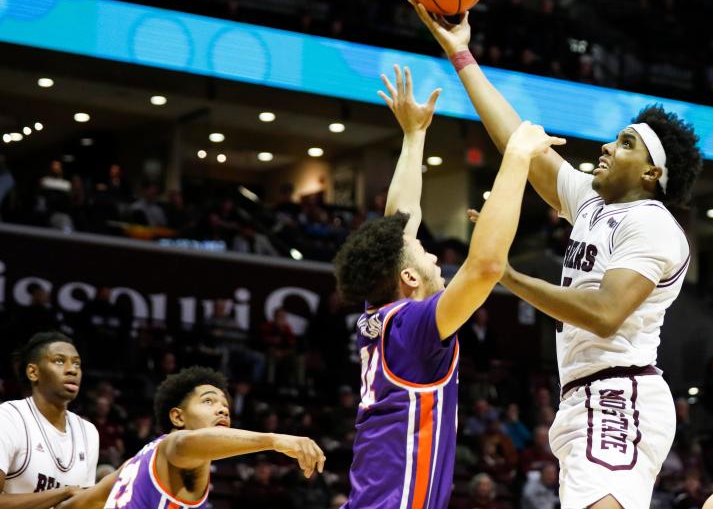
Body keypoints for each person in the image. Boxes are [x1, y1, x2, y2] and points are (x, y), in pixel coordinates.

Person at [412, 0, 703, 509]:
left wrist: (508, 275)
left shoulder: (653, 226)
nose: (609, 148)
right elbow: (519, 143)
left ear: (651, 174)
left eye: (626, 144)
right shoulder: (592, 202)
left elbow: (605, 314)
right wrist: (461, 56)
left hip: (619, 393)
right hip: (584, 394)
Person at [335, 65, 564, 509]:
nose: (436, 258)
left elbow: (400, 219)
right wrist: (516, 158)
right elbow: (484, 267)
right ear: (408, 278)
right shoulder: (414, 327)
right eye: (426, 255)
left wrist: (414, 134)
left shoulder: (380, 314)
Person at [60, 365, 324, 509]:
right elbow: (186, 443)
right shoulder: (175, 445)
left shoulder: (131, 466)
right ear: (178, 417)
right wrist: (274, 440)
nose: (222, 409)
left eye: (225, 405)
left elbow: (76, 505)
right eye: (208, 401)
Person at [0, 332, 99, 508]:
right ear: (33, 372)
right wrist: (64, 493)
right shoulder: (9, 418)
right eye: (59, 361)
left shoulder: (88, 432)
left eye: (77, 363)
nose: (72, 369)